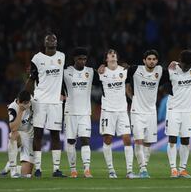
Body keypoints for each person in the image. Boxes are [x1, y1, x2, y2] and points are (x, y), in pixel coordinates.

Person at [25, 32, 66, 177]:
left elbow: (64, 77)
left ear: (57, 42)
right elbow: (31, 78)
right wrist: (26, 97)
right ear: (44, 43)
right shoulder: (37, 58)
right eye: (48, 39)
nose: (51, 41)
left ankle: (56, 169)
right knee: (38, 134)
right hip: (40, 101)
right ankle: (37, 168)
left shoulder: (62, 56)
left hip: (55, 102)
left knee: (55, 135)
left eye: (54, 38)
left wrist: (64, 92)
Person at [126, 49, 168, 178]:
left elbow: (175, 73)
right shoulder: (135, 70)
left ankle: (143, 168)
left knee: (148, 142)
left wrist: (174, 64)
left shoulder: (160, 71)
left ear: (157, 61)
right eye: (149, 59)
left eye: (154, 59)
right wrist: (133, 99)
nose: (151, 61)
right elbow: (126, 84)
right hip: (137, 111)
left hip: (151, 112)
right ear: (144, 60)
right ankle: (143, 169)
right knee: (138, 140)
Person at [99, 49, 136, 179]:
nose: (113, 54)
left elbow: (128, 86)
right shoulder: (101, 73)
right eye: (109, 53)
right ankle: (111, 170)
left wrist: (133, 99)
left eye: (114, 52)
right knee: (107, 139)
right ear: (106, 59)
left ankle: (130, 171)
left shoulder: (124, 71)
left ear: (117, 57)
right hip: (108, 110)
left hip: (122, 110)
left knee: (127, 138)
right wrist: (101, 67)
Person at [63, 47, 99, 178]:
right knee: (71, 141)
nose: (82, 61)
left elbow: (103, 81)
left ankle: (87, 169)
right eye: (80, 59)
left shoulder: (90, 72)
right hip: (70, 112)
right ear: (74, 59)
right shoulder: (66, 72)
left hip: (85, 113)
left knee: (85, 140)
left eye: (84, 59)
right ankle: (73, 170)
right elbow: (57, 85)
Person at [165, 50, 191, 178]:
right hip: (173, 110)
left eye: (189, 65)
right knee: (172, 139)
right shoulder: (170, 70)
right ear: (179, 61)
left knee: (186, 140)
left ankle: (182, 170)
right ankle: (173, 169)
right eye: (185, 65)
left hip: (187, 111)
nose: (187, 68)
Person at [5, 90, 34, 178]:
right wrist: (20, 111)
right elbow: (13, 128)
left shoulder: (33, 102)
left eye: (26, 103)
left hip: (30, 138)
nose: (23, 104)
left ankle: (9, 165)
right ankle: (13, 170)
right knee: (13, 135)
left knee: (26, 174)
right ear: (18, 100)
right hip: (20, 135)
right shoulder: (13, 107)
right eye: (20, 103)